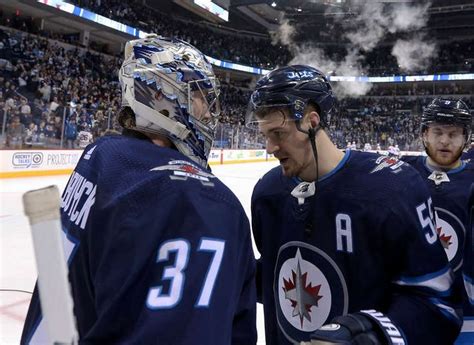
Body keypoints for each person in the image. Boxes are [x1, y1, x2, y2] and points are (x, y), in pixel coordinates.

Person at [21, 35, 257, 345]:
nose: (209, 114)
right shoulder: (203, 202)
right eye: (199, 99)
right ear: (165, 97)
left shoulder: (101, 155)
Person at [246, 65, 461, 344]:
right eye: (265, 135)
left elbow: (439, 305)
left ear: (312, 121)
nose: (270, 148)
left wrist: (370, 333)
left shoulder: (393, 189)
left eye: (278, 133)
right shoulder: (268, 192)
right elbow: (278, 280)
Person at [401, 98, 474, 344]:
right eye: (438, 132)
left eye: (453, 134)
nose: (444, 141)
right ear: (424, 134)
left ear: (466, 138)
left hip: (467, 314)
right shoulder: (400, 173)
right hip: (411, 308)